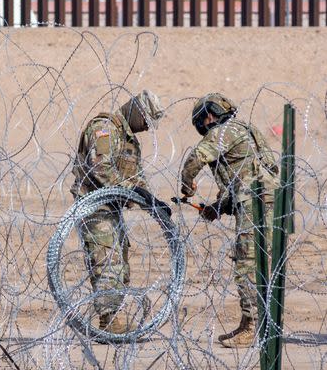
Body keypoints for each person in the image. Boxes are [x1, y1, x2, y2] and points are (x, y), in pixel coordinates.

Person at [180, 93, 279, 348]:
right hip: (268, 201)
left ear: (209, 116)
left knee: (247, 263)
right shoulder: (248, 130)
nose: (202, 127)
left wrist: (186, 185)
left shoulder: (221, 133)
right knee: (259, 262)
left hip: (254, 203)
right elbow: (244, 176)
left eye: (201, 122)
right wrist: (217, 207)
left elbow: (195, 160)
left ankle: (251, 327)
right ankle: (253, 324)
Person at [70, 90, 165, 334]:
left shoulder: (128, 140)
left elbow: (136, 177)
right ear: (135, 112)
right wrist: (130, 190)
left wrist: (151, 201)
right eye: (145, 121)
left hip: (111, 209)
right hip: (95, 207)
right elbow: (101, 168)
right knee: (106, 262)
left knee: (120, 265)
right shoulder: (105, 129)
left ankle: (113, 318)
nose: (145, 128)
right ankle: (108, 321)